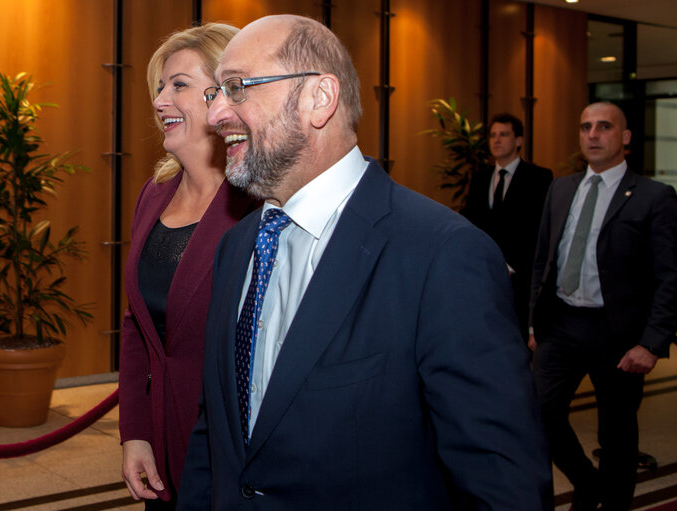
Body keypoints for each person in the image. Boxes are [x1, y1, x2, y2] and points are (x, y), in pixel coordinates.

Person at [177, 14, 552, 510]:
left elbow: (504, 485)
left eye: (237, 87)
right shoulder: (237, 246)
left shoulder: (443, 254)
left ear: (319, 98)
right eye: (215, 93)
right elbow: (216, 430)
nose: (216, 112)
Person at [117, 23, 252, 510]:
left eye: (178, 85)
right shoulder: (154, 195)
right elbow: (137, 326)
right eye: (159, 87)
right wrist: (135, 432)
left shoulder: (258, 205)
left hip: (229, 448)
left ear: (224, 97)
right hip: (160, 439)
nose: (159, 101)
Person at [530, 102, 677, 510]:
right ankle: (586, 482)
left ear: (625, 138)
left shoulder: (654, 197)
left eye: (604, 127)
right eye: (585, 127)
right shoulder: (561, 188)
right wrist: (531, 323)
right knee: (537, 412)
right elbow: (542, 260)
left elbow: (671, 276)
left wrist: (652, 342)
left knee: (616, 436)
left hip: (619, 335)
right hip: (561, 325)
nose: (593, 134)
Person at [462, 113, 553, 341]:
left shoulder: (539, 177)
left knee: (518, 343)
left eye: (504, 134)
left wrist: (512, 264)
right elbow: (471, 222)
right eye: (493, 135)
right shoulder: (480, 177)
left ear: (519, 141)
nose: (497, 140)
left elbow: (538, 228)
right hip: (484, 273)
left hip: (522, 277)